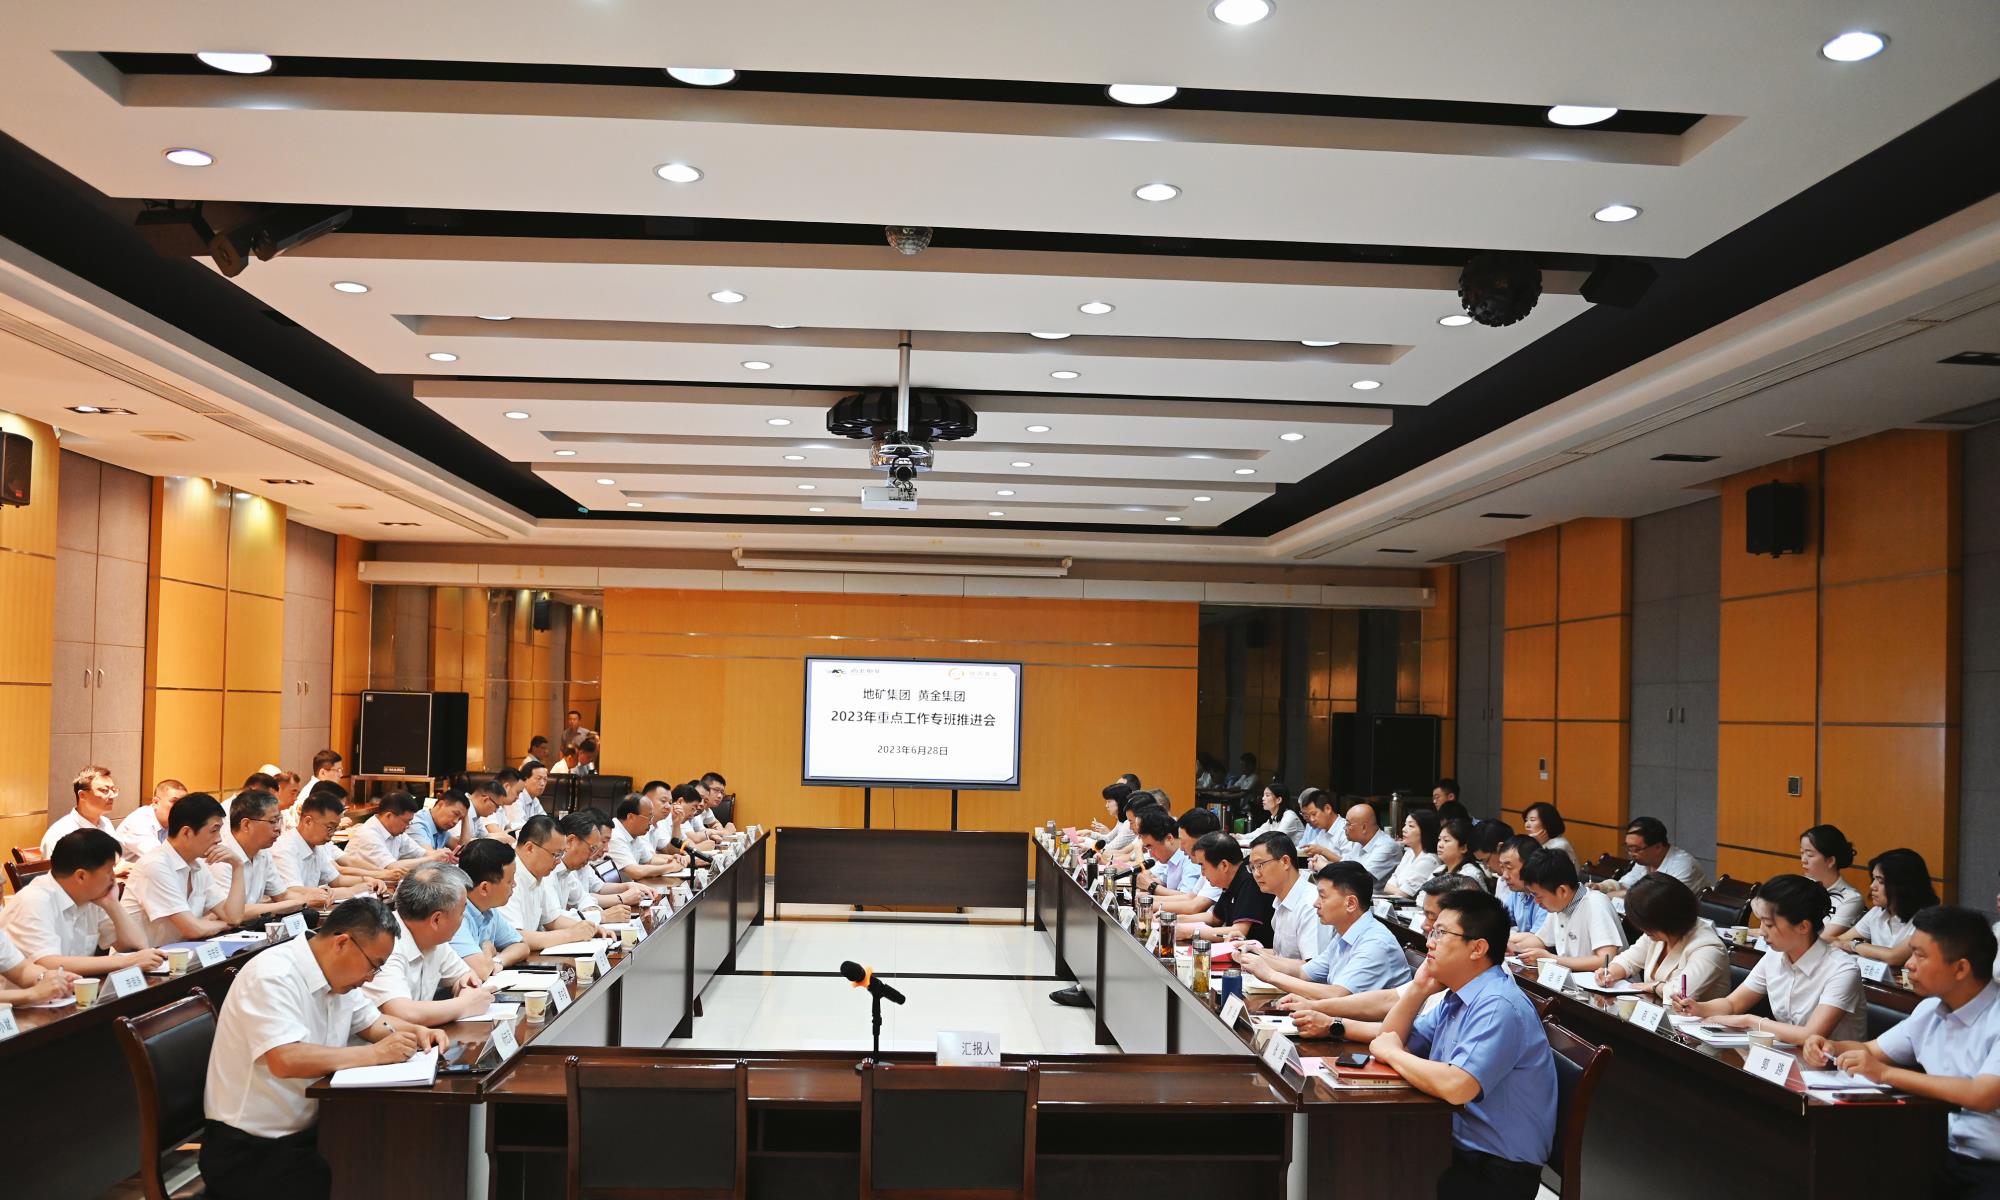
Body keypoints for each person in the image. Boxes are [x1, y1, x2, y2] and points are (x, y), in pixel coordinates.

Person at [201, 896, 448, 1200]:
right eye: (374, 965)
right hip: (250, 1149)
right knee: (359, 1172)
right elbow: (285, 1059)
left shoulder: (337, 977)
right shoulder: (272, 975)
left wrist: (418, 1032)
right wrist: (374, 1055)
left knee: (390, 1153)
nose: (370, 977)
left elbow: (373, 1023)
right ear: (342, 943)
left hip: (307, 1132)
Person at [1369, 889, 1557, 1200]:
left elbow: (1458, 1087)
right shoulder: (1459, 995)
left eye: (1441, 933)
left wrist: (1392, 1052)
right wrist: (1417, 989)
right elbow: (1390, 1039)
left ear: (1478, 948)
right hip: (1457, 1146)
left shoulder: (1497, 1004)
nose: (1429, 942)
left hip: (1495, 1170)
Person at [1804, 907, 2000, 1200]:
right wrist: (1830, 1045)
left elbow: (1982, 1094)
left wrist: (1885, 1073)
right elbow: (1872, 1050)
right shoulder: (1930, 1010)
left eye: (1920, 955)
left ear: (1960, 968)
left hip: (1990, 1168)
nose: (1908, 964)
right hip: (1933, 1151)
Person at [1285, 875, 1482, 1038]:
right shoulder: (1438, 968)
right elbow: (1389, 1000)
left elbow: (1404, 1040)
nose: (1424, 927)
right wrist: (1316, 1008)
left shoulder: (1489, 997)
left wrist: (1332, 1024)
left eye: (1436, 921)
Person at [1674, 874, 1865, 1042]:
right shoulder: (1775, 955)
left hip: (1836, 1065)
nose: (1762, 932)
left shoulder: (1842, 969)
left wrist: (1749, 1021)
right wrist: (1699, 1008)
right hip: (1787, 1054)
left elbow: (1810, 1035)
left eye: (1770, 925)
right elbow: (1733, 1003)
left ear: (1803, 927)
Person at [1242, 860, 1412, 1002]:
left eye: (1323, 897)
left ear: (1351, 903)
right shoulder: (1345, 933)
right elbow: (1302, 971)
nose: (1316, 903)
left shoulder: (1375, 943)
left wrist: (1270, 975)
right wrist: (1255, 956)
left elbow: (1337, 995)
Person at [1, 828, 163, 975]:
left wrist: (112, 904)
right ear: (81, 876)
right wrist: (125, 962)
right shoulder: (34, 901)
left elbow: (136, 946)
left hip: (75, 991)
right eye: (109, 871)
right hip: (28, 996)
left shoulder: (93, 896)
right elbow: (48, 964)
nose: (113, 878)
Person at [362, 863, 497, 1027]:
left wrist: (466, 990)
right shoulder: (384, 945)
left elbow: (466, 977)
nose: (463, 919)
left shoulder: (434, 939)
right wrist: (465, 1005)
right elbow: (402, 1013)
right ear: (436, 920)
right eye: (462, 912)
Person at [122, 792, 245, 943]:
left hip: (180, 952)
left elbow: (234, 917)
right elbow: (193, 930)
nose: (219, 839)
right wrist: (223, 925)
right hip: (143, 956)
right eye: (214, 830)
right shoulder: (155, 865)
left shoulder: (198, 865)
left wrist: (238, 866)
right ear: (186, 832)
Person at [1593, 874, 1730, 1001]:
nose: (1641, 929)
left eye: (1645, 923)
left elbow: (1681, 993)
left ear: (1666, 918)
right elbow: (1629, 960)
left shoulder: (1709, 947)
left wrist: (1654, 986)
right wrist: (1610, 973)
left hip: (1694, 1018)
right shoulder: (1658, 934)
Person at [502, 815, 609, 950]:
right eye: (556, 855)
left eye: (561, 854)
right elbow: (514, 937)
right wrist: (571, 934)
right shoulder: (507, 875)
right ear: (530, 848)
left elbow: (552, 920)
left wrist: (591, 928)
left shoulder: (537, 872)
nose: (559, 861)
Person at [1507, 848, 1626, 971]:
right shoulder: (1559, 904)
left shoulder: (1595, 904)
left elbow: (1605, 960)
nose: (1536, 902)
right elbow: (1540, 940)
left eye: (1538, 896)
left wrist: (1552, 959)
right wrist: (1514, 948)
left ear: (1562, 891)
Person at [213, 789, 310, 922]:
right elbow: (231, 912)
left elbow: (282, 895)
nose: (278, 828)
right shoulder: (221, 856)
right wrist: (291, 904)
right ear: (246, 825)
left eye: (279, 820)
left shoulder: (262, 852)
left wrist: (308, 899)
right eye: (273, 821)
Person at [1837, 848, 1940, 968]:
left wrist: (1855, 945)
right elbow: (1839, 941)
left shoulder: (1928, 921)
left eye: (1881, 881)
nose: (1872, 886)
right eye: (1873, 879)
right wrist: (1850, 944)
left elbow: (1894, 957)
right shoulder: (1877, 912)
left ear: (1903, 886)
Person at [272, 789, 377, 903]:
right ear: (308, 821)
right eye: (329, 828)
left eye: (335, 828)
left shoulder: (317, 845)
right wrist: (351, 891)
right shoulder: (284, 848)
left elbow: (336, 880)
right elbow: (293, 891)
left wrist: (368, 881)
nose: (332, 834)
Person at [449, 838, 531, 979]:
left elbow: (522, 946)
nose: (514, 884)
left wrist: (498, 960)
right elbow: (481, 971)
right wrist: (487, 948)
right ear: (484, 888)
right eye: (509, 881)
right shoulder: (454, 913)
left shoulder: (488, 909)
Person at [1243, 831, 1325, 961]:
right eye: (1252, 867)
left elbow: (1312, 967)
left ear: (1285, 861)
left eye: (1260, 865)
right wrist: (1250, 950)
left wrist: (1260, 962)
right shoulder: (1280, 900)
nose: (1256, 874)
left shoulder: (1311, 904)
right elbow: (1281, 955)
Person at [1188, 832, 1275, 944]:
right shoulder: (1231, 881)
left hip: (1260, 951)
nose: (1203, 874)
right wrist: (1176, 920)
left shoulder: (1249, 880)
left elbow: (1239, 931)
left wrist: (1190, 932)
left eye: (1203, 866)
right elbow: (1215, 918)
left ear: (1224, 865)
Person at [339, 791, 445, 882]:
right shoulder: (368, 835)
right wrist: (432, 858)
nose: (408, 826)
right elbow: (393, 868)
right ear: (389, 816)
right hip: (359, 890)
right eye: (406, 821)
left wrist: (440, 855)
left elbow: (421, 853)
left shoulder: (396, 832)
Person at [1599, 816, 1708, 897]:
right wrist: (1602, 887)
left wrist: (1613, 895)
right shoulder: (1645, 860)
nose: (1631, 854)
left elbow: (1657, 899)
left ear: (1658, 847)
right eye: (1628, 848)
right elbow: (1626, 884)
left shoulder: (1683, 865)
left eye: (1636, 849)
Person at [1800, 824, 1867, 939]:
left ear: (1830, 860)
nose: (1803, 860)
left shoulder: (1850, 898)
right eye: (1801, 853)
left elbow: (1824, 939)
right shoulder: (1798, 885)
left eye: (1810, 855)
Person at [41, 764, 120, 855]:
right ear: (82, 795)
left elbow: (116, 858)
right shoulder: (60, 834)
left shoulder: (106, 823)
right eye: (104, 790)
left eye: (113, 790)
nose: (112, 796)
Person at [608, 794, 681, 883]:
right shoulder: (614, 836)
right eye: (649, 817)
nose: (651, 822)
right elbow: (635, 872)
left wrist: (671, 860)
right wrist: (671, 867)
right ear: (631, 817)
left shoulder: (633, 833)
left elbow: (649, 860)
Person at [1327, 803, 1402, 885]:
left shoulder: (1386, 847)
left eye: (1348, 824)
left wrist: (1325, 866)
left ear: (1364, 827)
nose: (1344, 828)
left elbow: (1360, 881)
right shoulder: (1359, 842)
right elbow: (1344, 865)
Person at [114, 778, 187, 862]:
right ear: (156, 802)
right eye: (174, 801)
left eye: (184, 803)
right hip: (123, 870)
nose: (181, 807)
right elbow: (160, 858)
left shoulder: (176, 822)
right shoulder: (139, 821)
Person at [1382, 809, 1443, 898]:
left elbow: (1405, 894)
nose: (1404, 829)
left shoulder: (1429, 860)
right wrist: (1398, 890)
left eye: (1411, 826)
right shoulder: (1409, 853)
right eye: (1405, 824)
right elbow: (1387, 886)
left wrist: (1397, 890)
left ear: (1425, 831)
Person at [1491, 836, 1544, 933]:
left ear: (1530, 865)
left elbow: (1537, 938)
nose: (1504, 876)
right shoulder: (1517, 891)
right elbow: (1500, 922)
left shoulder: (1547, 893)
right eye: (1502, 867)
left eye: (1509, 867)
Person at [1521, 802, 1579, 868]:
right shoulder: (1534, 840)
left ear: (1547, 822)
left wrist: (1535, 844)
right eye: (1526, 820)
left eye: (1532, 820)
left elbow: (1535, 870)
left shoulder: (1559, 846)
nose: (1527, 825)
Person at [1435, 818, 1487, 887]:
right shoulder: (1439, 870)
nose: (1440, 845)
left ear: (1464, 848)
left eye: (1446, 840)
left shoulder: (1469, 875)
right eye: (1439, 839)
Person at [1297, 788, 1346, 859]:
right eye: (1308, 816)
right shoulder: (1323, 830)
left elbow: (1350, 864)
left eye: (1314, 814)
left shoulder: (1345, 830)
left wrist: (1322, 851)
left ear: (1327, 809)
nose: (1312, 819)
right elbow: (1306, 849)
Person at [1093, 782, 1138, 854]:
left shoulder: (1128, 823)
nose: (1106, 806)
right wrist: (1089, 833)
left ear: (1120, 802)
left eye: (1109, 802)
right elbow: (1108, 838)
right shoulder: (1121, 820)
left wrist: (1085, 841)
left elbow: (1109, 848)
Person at [295, 750, 344, 814]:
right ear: (323, 773)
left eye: (341, 770)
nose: (341, 775)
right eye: (338, 770)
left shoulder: (326, 790)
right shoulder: (312, 793)